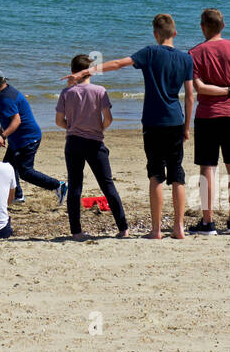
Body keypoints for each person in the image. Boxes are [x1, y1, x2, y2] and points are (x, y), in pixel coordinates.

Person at [71, 13, 194, 240]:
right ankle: (179, 228)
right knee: (177, 173)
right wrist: (187, 125)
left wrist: (88, 71)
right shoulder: (186, 59)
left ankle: (156, 230)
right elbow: (189, 96)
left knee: (156, 174)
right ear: (174, 33)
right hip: (176, 120)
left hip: (153, 122)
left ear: (155, 34)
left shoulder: (150, 52)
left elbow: (118, 64)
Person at [188, 8, 230, 235]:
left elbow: (199, 88)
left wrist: (225, 91)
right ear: (223, 26)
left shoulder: (195, 52)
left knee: (208, 167)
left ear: (202, 27)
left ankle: (208, 221)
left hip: (207, 115)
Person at [55, 55, 127, 239]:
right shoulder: (100, 91)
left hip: (73, 142)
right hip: (94, 142)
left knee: (75, 186)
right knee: (107, 185)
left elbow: (59, 121)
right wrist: (99, 128)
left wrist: (71, 126)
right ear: (91, 71)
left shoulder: (66, 93)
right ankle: (123, 228)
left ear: (73, 72)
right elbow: (108, 119)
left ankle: (76, 231)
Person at [0, 70, 66, 206]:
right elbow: (7, 118)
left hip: (27, 138)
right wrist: (3, 133)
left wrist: (2, 136)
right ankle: (17, 196)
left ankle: (59, 186)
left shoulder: (5, 98)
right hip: (19, 139)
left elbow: (16, 121)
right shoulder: (9, 91)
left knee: (25, 172)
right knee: (8, 167)